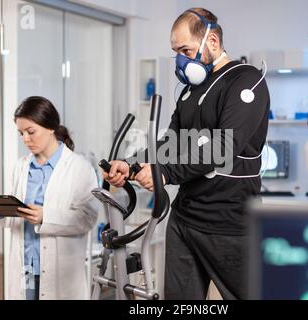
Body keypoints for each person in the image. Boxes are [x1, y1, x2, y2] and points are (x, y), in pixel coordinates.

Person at [103, 8, 270, 299]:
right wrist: (131, 166)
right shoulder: (188, 92)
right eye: (175, 52)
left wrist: (165, 174)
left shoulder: (245, 81)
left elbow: (224, 146)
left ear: (213, 42)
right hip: (184, 220)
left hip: (229, 222)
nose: (181, 59)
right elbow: (170, 143)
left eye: (186, 49)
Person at [0, 96, 99, 300]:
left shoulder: (79, 168)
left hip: (60, 270)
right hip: (26, 266)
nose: (25, 139)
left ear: (50, 127)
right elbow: (15, 217)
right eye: (21, 133)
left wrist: (45, 217)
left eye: (31, 132)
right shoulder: (21, 167)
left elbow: (87, 219)